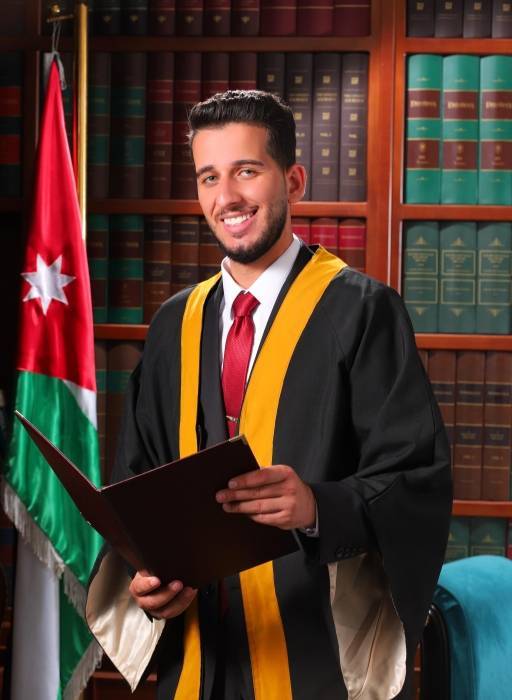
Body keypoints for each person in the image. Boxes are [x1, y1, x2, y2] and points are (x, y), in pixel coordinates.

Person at [86, 90, 452, 700]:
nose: (227, 196)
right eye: (209, 177)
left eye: (247, 171)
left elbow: (416, 478)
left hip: (314, 660)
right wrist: (148, 578)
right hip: (199, 658)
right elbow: (138, 481)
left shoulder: (363, 312)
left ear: (294, 181)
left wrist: (317, 506)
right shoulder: (175, 324)